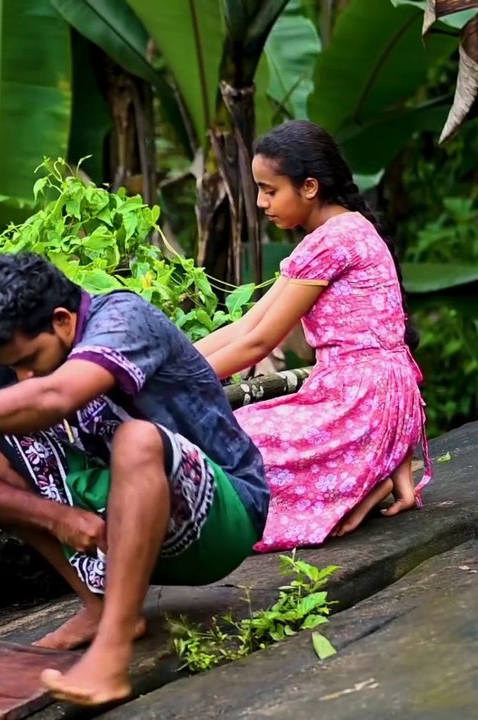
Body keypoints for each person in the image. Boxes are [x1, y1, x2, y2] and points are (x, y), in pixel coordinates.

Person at [0, 251, 269, 707]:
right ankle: (101, 607)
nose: (24, 374)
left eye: (30, 360)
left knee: (137, 441)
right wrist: (56, 517)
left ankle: (110, 659)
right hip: (116, 535)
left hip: (223, 519)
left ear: (62, 320)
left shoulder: (123, 317)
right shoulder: (12, 347)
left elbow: (56, 396)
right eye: (11, 366)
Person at [195, 119, 433, 552]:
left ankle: (361, 479)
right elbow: (246, 325)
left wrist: (174, 382)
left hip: (359, 402)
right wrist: (169, 363)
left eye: (270, 190)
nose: (261, 202)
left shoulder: (330, 242)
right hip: (376, 397)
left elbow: (258, 343)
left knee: (227, 448)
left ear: (308, 187)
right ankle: (366, 476)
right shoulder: (344, 231)